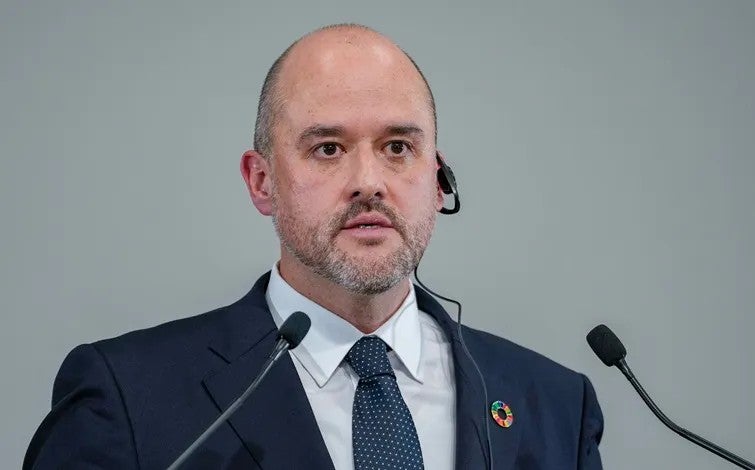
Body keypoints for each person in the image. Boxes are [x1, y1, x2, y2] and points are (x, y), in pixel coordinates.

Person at [24, 24, 604, 469]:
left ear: (437, 178)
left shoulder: (555, 404)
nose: (369, 182)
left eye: (398, 147)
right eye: (328, 148)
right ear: (261, 182)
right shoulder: (127, 398)